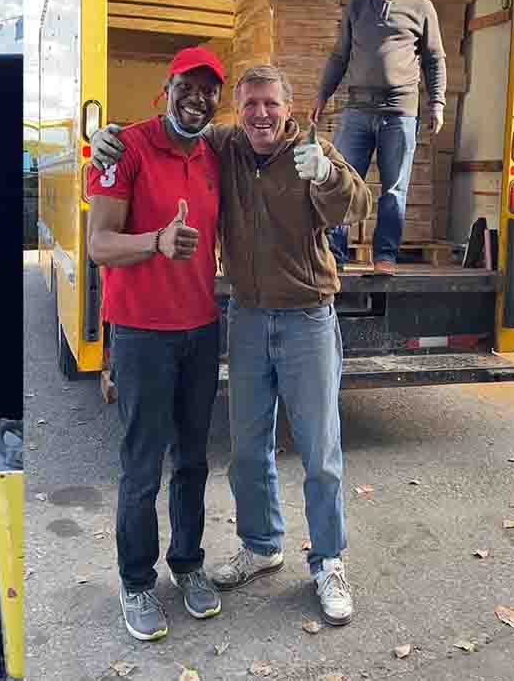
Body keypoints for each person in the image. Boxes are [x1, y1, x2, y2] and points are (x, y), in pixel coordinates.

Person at [93, 65, 373, 626]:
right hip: (245, 317)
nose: (260, 115)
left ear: (288, 109)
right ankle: (261, 543)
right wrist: (106, 137)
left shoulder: (311, 151)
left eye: (270, 104)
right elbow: (169, 131)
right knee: (247, 449)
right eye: (249, 105)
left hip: (307, 317)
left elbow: (360, 206)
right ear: (236, 112)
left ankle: (328, 562)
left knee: (320, 451)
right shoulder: (227, 146)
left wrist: (327, 176)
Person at [83, 47, 228, 642]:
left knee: (192, 459)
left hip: (199, 327)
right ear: (164, 90)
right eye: (186, 87)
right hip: (142, 332)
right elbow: (98, 244)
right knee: (142, 465)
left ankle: (188, 565)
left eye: (208, 89)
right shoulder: (130, 148)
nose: (197, 97)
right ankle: (136, 581)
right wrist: (156, 242)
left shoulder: (215, 152)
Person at [317, 0, 446, 274]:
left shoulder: (422, 8)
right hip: (357, 110)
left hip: (400, 113)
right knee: (342, 181)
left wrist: (437, 103)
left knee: (393, 188)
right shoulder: (358, 6)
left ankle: (385, 256)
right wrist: (322, 95)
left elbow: (434, 60)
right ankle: (335, 253)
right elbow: (339, 55)